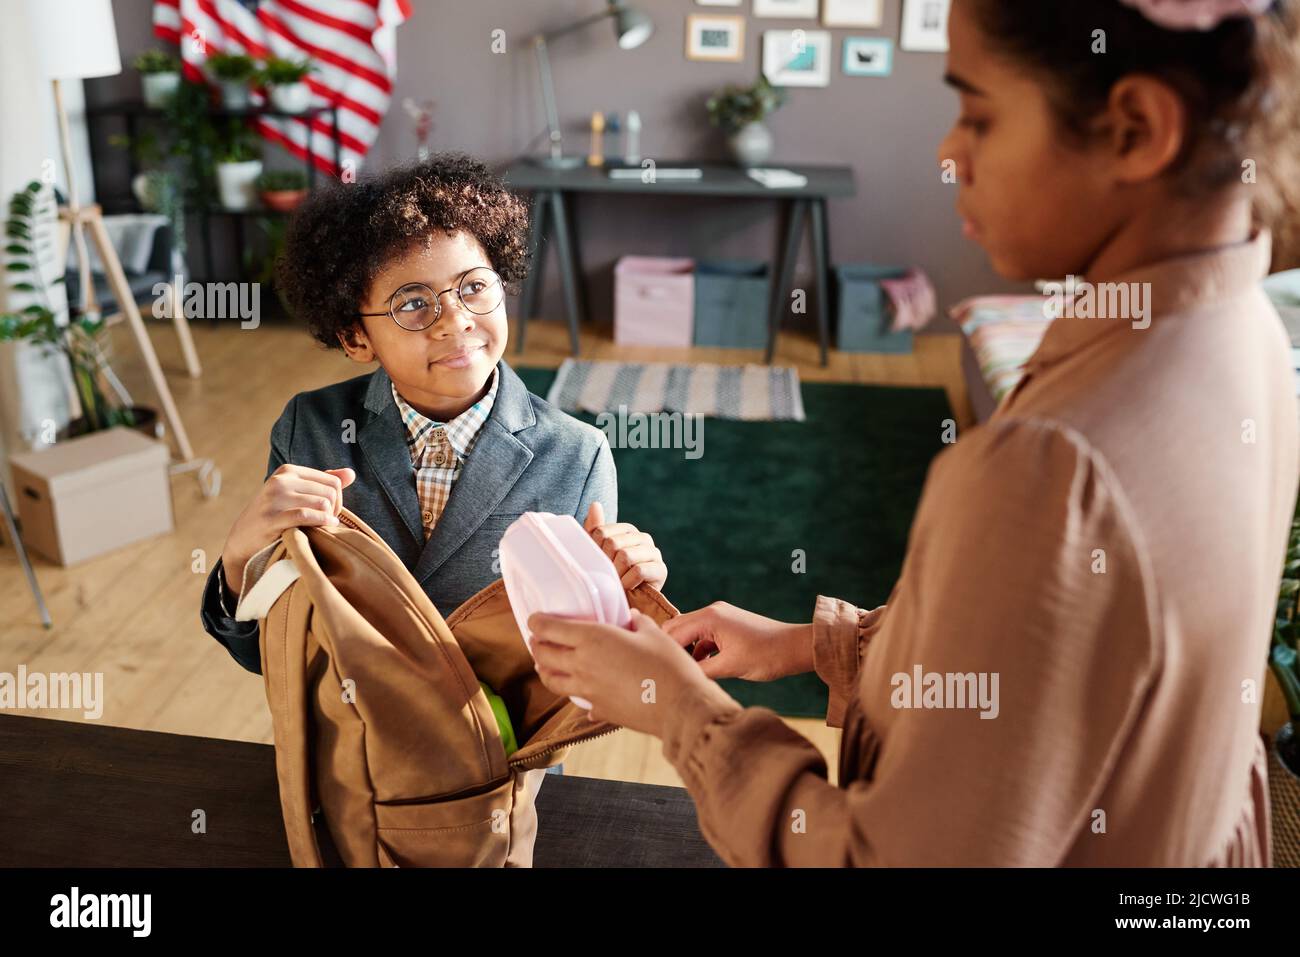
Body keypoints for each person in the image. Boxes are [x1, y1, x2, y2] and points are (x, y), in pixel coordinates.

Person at [527, 0, 1300, 865]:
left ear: (1135, 128)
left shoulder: (1050, 467)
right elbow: (1054, 659)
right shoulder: (1246, 327)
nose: (947, 151)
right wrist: (811, 645)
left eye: (978, 112)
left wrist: (677, 709)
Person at [199, 154, 667, 682]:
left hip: (509, 749)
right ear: (356, 338)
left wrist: (626, 595)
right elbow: (264, 651)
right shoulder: (310, 428)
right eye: (413, 304)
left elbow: (595, 668)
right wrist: (239, 559)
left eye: (473, 287)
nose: (456, 321)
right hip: (350, 743)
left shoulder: (577, 456)